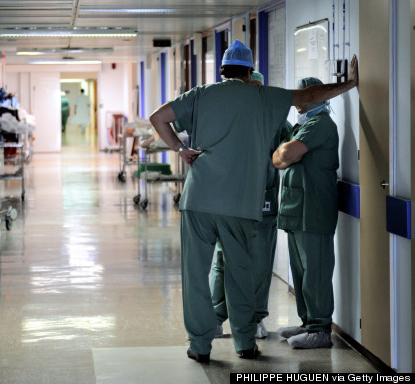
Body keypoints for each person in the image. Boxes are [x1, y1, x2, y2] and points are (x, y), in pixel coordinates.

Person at [148, 40, 357, 363]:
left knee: (195, 275)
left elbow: (158, 117)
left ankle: (200, 345)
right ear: (249, 72)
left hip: (198, 200)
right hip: (240, 205)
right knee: (240, 274)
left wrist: (180, 149)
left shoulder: (200, 95)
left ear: (222, 71)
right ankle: (244, 342)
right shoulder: (261, 96)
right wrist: (350, 83)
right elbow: (308, 97)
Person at [210, 71, 292, 340]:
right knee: (223, 262)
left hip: (262, 203)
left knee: (259, 264)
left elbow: (289, 148)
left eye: (257, 89)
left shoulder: (274, 117)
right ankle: (215, 318)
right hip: (230, 201)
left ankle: (254, 318)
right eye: (249, 88)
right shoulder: (227, 116)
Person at [273, 77, 339, 349]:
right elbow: (281, 158)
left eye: (306, 98)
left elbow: (285, 155)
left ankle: (320, 329)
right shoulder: (302, 127)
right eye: (298, 98)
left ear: (318, 99)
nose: (299, 104)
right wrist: (284, 155)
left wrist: (285, 154)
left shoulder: (320, 124)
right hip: (297, 211)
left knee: (316, 271)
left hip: (313, 210)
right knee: (300, 271)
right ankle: (306, 322)